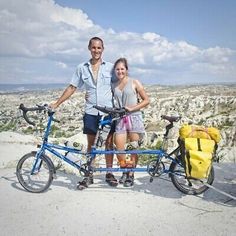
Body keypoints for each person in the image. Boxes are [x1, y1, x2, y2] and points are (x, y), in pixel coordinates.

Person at [50, 37, 118, 190]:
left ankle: (109, 173)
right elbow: (72, 87)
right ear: (89, 48)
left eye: (99, 48)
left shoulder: (110, 67)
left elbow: (120, 83)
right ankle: (89, 174)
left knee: (108, 143)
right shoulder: (82, 67)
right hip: (91, 111)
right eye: (93, 47)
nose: (96, 51)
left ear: (103, 49)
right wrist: (57, 103)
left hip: (108, 112)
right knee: (91, 144)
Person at [112, 58, 150, 187]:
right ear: (115, 71)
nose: (120, 71)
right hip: (120, 119)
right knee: (120, 149)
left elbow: (146, 100)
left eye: (122, 68)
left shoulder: (134, 82)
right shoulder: (114, 85)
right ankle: (125, 169)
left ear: (126, 70)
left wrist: (132, 108)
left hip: (134, 117)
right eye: (117, 69)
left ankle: (131, 174)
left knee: (133, 149)